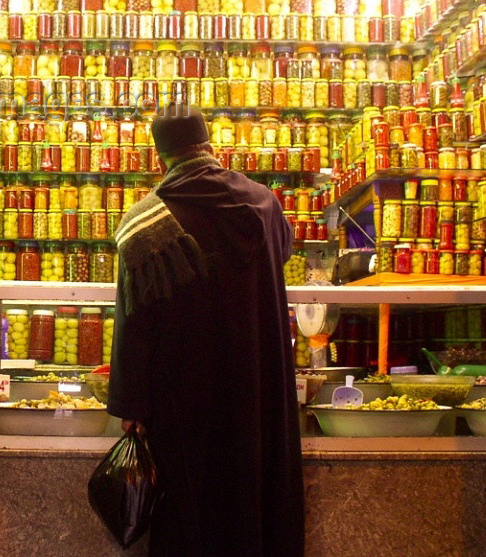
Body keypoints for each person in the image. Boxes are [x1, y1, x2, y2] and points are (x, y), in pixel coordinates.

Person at [107, 105, 304, 556]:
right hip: (260, 389)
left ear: (161, 159)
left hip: (187, 400)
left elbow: (133, 323)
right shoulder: (265, 203)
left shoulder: (146, 221)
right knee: (257, 500)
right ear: (211, 147)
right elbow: (283, 254)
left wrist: (131, 404)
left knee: (192, 514)